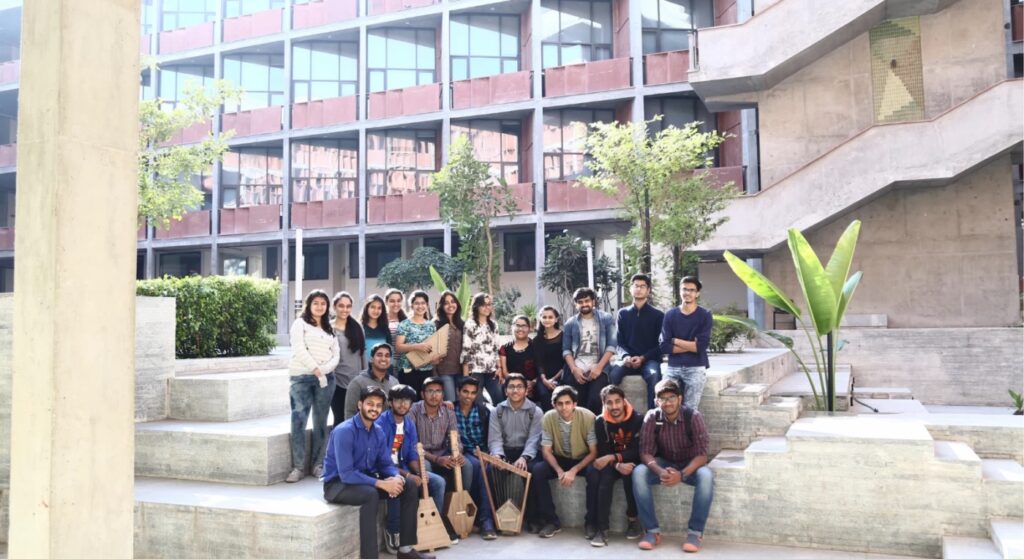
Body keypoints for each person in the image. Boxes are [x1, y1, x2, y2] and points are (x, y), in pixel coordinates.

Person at [322, 386, 434, 559]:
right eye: (370, 404)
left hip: (365, 478)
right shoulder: (344, 431)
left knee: (409, 485)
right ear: (360, 404)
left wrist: (396, 478)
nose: (374, 408)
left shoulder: (378, 431)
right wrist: (382, 484)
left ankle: (405, 550)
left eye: (378, 405)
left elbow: (385, 463)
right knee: (371, 494)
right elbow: (347, 474)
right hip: (338, 485)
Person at [631, 379, 713, 553]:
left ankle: (695, 533)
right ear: (656, 401)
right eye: (663, 399)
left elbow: (702, 455)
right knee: (639, 472)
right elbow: (645, 452)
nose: (667, 402)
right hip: (664, 463)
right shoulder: (652, 417)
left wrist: (681, 475)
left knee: (706, 476)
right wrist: (659, 471)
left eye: (671, 397)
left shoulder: (693, 417)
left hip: (690, 464)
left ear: (680, 399)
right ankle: (652, 531)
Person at [376, 384, 447, 554]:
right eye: (398, 400)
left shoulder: (408, 424)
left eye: (406, 401)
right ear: (391, 403)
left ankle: (430, 526)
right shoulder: (381, 423)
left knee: (437, 481)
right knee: (401, 483)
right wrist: (408, 475)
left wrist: (419, 471)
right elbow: (382, 460)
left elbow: (411, 455)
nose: (402, 405)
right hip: (382, 469)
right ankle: (393, 529)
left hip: (402, 466)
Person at [410, 376, 473, 543]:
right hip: (421, 455)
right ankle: (435, 521)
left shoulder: (448, 412)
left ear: (443, 394)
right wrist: (437, 459)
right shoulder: (414, 411)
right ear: (422, 394)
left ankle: (455, 509)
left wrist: (457, 453)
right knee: (428, 471)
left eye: (438, 391)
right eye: (430, 391)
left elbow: (455, 437)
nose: (434, 395)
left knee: (466, 466)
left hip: (443, 453)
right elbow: (413, 445)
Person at [528, 385, 597, 538]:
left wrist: (574, 471)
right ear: (554, 405)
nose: (564, 407)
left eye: (567, 403)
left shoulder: (588, 417)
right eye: (560, 403)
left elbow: (594, 452)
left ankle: (591, 522)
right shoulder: (548, 417)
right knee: (538, 470)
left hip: (583, 458)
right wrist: (559, 471)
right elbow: (546, 451)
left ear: (575, 404)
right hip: (560, 458)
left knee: (594, 474)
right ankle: (552, 521)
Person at [288, 290, 340, 483]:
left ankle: (317, 465)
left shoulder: (329, 328)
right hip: (301, 377)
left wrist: (325, 369)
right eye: (316, 303)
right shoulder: (299, 324)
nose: (319, 306)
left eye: (323, 303)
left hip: (326, 380)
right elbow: (299, 349)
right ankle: (298, 467)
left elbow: (336, 355)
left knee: (321, 421)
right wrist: (316, 369)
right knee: (299, 420)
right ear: (309, 305)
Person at [585, 385, 644, 546]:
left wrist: (616, 458)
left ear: (624, 401)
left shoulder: (638, 419)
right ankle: (602, 529)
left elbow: (638, 451)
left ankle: (633, 520)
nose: (614, 406)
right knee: (604, 478)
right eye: (609, 403)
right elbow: (603, 451)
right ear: (604, 404)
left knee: (630, 475)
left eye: (618, 401)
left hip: (632, 461)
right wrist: (617, 464)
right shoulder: (600, 421)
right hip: (612, 463)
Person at [451, 376, 498, 540]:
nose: (468, 396)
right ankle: (486, 522)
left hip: (482, 451)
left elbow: (493, 436)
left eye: (472, 393)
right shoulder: (450, 409)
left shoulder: (484, 410)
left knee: (490, 468)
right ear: (458, 392)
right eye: (465, 392)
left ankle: (485, 518)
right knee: (477, 467)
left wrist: (489, 454)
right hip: (463, 452)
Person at [609, 273, 664, 411]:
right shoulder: (623, 313)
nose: (639, 289)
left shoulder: (658, 315)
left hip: (649, 359)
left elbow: (661, 345)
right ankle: (613, 412)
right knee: (613, 374)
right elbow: (619, 341)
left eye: (643, 286)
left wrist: (643, 358)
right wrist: (625, 356)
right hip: (627, 359)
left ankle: (654, 415)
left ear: (648, 290)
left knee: (654, 375)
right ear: (630, 289)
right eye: (636, 286)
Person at [659, 277, 713, 410]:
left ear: (697, 293)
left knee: (690, 408)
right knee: (664, 403)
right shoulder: (670, 315)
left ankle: (687, 431)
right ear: (680, 290)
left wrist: (675, 340)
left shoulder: (705, 315)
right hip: (673, 367)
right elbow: (664, 346)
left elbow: (701, 347)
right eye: (684, 289)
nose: (687, 293)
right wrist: (691, 346)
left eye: (691, 290)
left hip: (696, 366)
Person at [562, 287, 616, 415]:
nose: (584, 304)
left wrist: (599, 367)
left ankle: (594, 432)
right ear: (576, 304)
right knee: (576, 403)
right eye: (580, 302)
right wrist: (574, 369)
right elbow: (566, 350)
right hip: (577, 369)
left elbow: (611, 346)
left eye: (587, 301)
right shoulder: (570, 323)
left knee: (595, 401)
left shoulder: (606, 319)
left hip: (599, 368)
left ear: (593, 301)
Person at [488, 373, 543, 471]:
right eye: (511, 387)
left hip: (527, 452)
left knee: (534, 469)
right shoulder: (496, 411)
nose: (515, 391)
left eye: (519, 387)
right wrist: (498, 455)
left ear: (526, 391)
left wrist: (524, 457)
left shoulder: (536, 411)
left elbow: (534, 439)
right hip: (505, 451)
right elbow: (495, 439)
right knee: (492, 469)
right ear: (505, 391)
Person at [395, 290, 443, 397]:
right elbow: (398, 347)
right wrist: (417, 346)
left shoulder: (431, 325)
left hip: (426, 370)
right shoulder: (404, 324)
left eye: (423, 303)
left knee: (424, 402)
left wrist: (435, 358)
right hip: (408, 370)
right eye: (417, 303)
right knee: (408, 401)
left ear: (427, 305)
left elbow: (433, 348)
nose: (420, 306)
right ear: (411, 305)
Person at [331, 291, 366, 433]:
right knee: (339, 419)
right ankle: (336, 453)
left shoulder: (357, 327)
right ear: (334, 307)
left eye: (348, 306)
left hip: (356, 382)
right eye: (341, 306)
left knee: (357, 420)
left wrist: (364, 376)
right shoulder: (329, 328)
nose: (345, 309)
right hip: (337, 382)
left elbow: (362, 354)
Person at [462, 292, 502, 405]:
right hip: (475, 371)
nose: (487, 307)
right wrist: (466, 378)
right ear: (476, 306)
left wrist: (500, 367)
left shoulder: (493, 325)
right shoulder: (470, 325)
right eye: (483, 305)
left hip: (492, 370)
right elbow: (466, 350)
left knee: (500, 400)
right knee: (478, 404)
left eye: (489, 304)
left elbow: (496, 348)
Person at [344, 342, 399, 420]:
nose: (383, 358)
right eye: (379, 355)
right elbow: (350, 413)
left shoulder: (395, 383)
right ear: (371, 359)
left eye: (387, 356)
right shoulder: (357, 383)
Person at [499, 315, 540, 405]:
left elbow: (542, 369)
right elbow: (505, 372)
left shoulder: (537, 346)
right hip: (512, 384)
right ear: (512, 327)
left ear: (530, 328)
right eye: (517, 325)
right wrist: (518, 385)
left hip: (533, 385)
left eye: (524, 326)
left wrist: (533, 382)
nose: (520, 328)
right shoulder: (504, 348)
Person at [433, 290, 465, 403]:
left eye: (452, 301)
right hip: (444, 371)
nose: (450, 305)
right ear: (441, 306)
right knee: (450, 402)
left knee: (462, 403)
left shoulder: (463, 324)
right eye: (446, 303)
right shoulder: (436, 325)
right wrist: (434, 371)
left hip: (461, 371)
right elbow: (431, 349)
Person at [534, 306, 565, 412]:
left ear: (556, 319)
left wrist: (554, 379)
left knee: (561, 395)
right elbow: (539, 362)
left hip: (562, 375)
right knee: (543, 394)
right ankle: (549, 424)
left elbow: (566, 361)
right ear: (540, 319)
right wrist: (545, 380)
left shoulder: (564, 336)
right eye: (544, 317)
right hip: (543, 377)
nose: (547, 320)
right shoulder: (537, 339)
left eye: (550, 317)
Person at [385, 288, 408, 366]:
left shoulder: (406, 321)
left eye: (398, 301)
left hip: (403, 364)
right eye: (392, 301)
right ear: (386, 302)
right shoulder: (382, 320)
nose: (396, 304)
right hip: (386, 363)